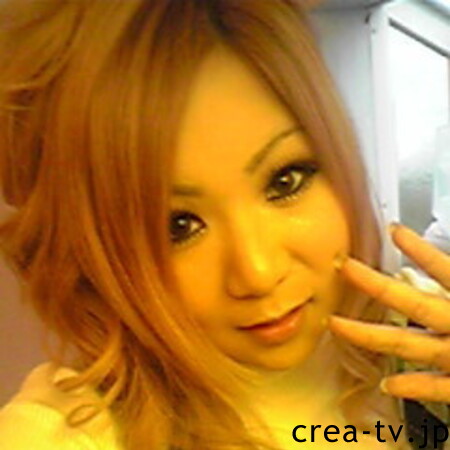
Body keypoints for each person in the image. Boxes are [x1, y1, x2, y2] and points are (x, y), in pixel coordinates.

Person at [0, 0, 449, 449]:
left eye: (285, 181)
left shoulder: (424, 333)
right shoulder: (70, 433)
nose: (257, 273)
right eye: (178, 226)